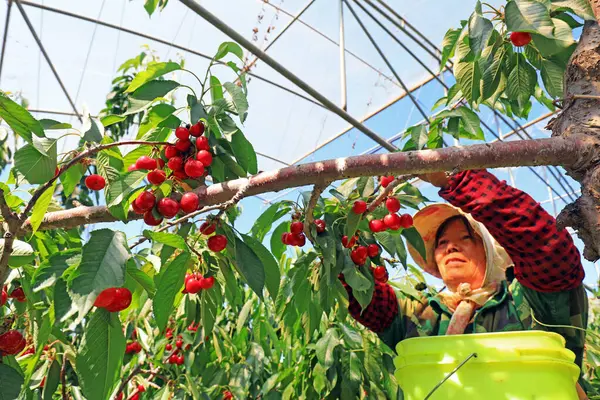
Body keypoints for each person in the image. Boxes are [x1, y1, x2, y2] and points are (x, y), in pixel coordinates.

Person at [341, 169, 589, 397]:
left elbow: (546, 249)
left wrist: (452, 177)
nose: (450, 246)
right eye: (441, 243)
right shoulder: (424, 315)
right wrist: (336, 245)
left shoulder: (529, 301)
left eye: (465, 237)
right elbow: (360, 291)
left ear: (489, 251)